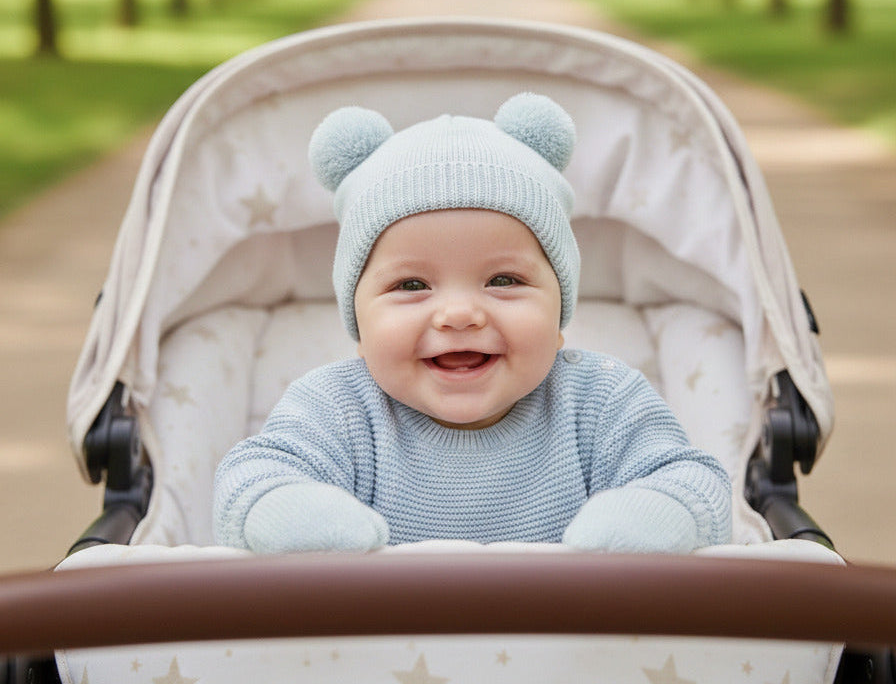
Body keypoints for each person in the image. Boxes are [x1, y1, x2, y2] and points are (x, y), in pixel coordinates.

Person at [213, 93, 731, 553]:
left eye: (503, 280)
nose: (460, 314)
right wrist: (289, 510)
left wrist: (657, 512)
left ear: (559, 314)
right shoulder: (338, 411)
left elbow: (694, 481)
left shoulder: (600, 403)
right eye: (412, 286)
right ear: (359, 325)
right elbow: (249, 480)